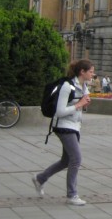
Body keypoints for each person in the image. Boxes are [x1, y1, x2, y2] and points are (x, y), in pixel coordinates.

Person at [32, 59, 94, 206]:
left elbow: (78, 107)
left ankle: (40, 178)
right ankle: (72, 195)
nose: (93, 74)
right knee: (76, 159)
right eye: (91, 71)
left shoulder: (84, 87)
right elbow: (60, 112)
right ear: (82, 72)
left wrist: (83, 105)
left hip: (74, 126)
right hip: (63, 127)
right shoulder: (67, 86)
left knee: (66, 160)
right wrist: (79, 104)